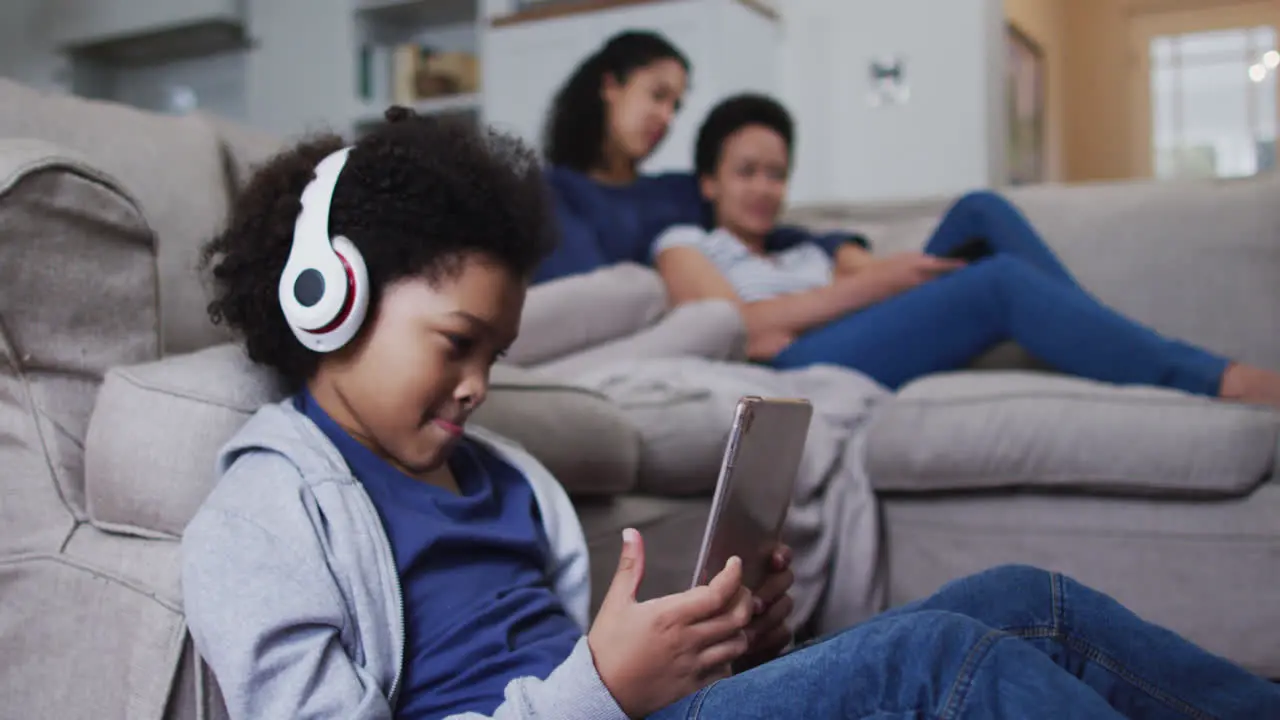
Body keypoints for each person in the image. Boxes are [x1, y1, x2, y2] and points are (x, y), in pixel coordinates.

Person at [179, 107, 1280, 720]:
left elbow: (590, 672)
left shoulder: (499, 474)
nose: (477, 383)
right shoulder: (265, 514)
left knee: (1023, 602)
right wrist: (599, 690)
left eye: (496, 353)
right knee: (937, 665)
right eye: (456, 346)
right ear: (326, 301)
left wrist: (730, 642)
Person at [652, 93, 1280, 405]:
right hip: (796, 369)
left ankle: (1109, 338)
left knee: (981, 209)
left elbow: (883, 279)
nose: (765, 188)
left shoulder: (807, 250)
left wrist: (871, 280)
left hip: (851, 330)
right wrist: (873, 286)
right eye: (747, 171)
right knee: (998, 283)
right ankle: (1214, 378)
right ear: (709, 180)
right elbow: (741, 331)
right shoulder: (684, 244)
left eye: (777, 173)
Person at [537, 30, 856, 284]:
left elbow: (759, 229)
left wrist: (838, 248)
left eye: (675, 106)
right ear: (610, 86)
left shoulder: (680, 193)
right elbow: (583, 295)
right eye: (658, 95)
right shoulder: (552, 194)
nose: (666, 117)